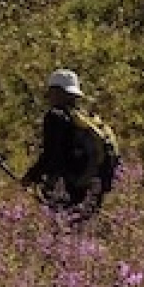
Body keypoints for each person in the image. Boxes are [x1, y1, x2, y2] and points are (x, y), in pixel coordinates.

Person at [18, 69, 118, 218]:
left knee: (62, 229)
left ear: (57, 91)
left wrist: (31, 177)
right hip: (93, 187)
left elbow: (51, 155)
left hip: (69, 187)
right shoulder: (85, 118)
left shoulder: (56, 116)